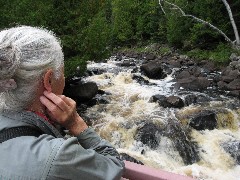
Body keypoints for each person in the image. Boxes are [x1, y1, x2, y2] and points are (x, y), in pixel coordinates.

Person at [0, 26, 124, 180]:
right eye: (63, 74)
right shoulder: (57, 157)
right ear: (49, 80)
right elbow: (113, 166)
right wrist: (76, 123)